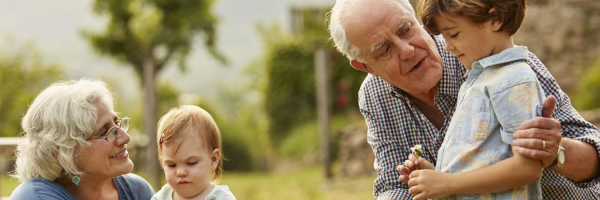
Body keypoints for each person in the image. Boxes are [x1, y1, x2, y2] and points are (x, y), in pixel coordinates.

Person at [327, 0, 600, 199]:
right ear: (366, 67)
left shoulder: (500, 65)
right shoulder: (374, 95)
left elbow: (594, 156)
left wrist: (555, 152)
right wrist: (427, 179)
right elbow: (392, 187)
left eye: (405, 30)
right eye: (384, 49)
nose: (407, 50)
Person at [398, 0, 547, 199]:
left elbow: (528, 168)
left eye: (453, 34)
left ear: (496, 19)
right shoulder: (480, 77)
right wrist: (437, 175)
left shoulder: (513, 81)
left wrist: (447, 183)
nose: (448, 46)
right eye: (444, 37)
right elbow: (483, 159)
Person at [10, 79, 154, 200]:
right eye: (105, 131)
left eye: (117, 123)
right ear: (64, 151)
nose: (125, 138)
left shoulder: (137, 190)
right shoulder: (35, 197)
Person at [152, 105, 236, 200]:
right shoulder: (161, 197)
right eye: (171, 165)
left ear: (213, 160)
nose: (180, 172)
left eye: (191, 163)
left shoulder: (221, 198)